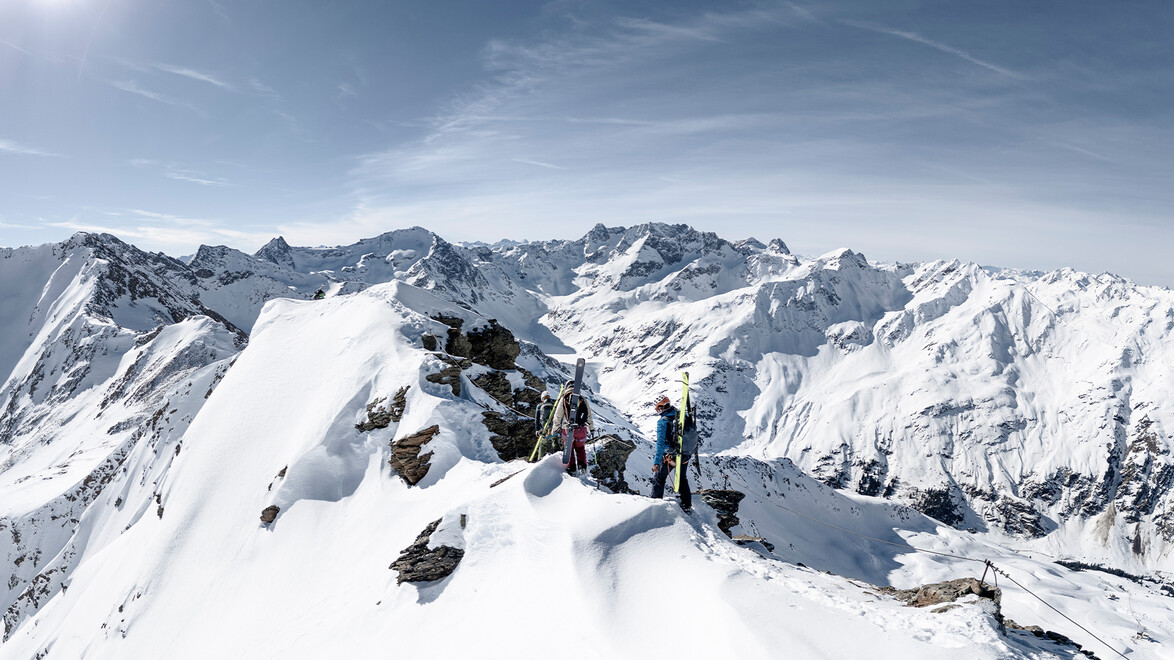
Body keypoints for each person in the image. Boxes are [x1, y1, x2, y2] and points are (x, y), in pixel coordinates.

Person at [650, 395, 691, 512]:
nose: (658, 411)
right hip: (685, 453)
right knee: (682, 478)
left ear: (663, 406)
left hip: (671, 455)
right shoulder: (682, 416)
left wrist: (656, 463)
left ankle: (655, 503)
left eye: (659, 408)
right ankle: (687, 504)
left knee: (659, 477)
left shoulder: (663, 422)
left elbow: (660, 444)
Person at [549, 380, 594, 474]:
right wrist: (591, 428)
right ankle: (582, 467)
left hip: (567, 429)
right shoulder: (583, 399)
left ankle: (571, 469)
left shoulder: (564, 398)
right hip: (581, 429)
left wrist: (554, 430)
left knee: (569, 449)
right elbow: (589, 415)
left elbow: (557, 416)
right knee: (580, 448)